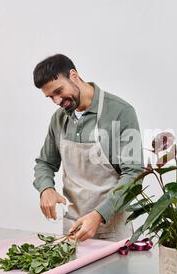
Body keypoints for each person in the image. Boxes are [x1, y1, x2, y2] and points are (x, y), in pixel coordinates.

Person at [32, 54, 143, 242]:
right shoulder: (59, 119)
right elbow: (44, 163)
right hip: (72, 229)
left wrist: (98, 215)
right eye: (50, 97)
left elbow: (133, 175)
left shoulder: (121, 112)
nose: (57, 101)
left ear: (74, 75)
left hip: (112, 230)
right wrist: (46, 189)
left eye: (59, 91)